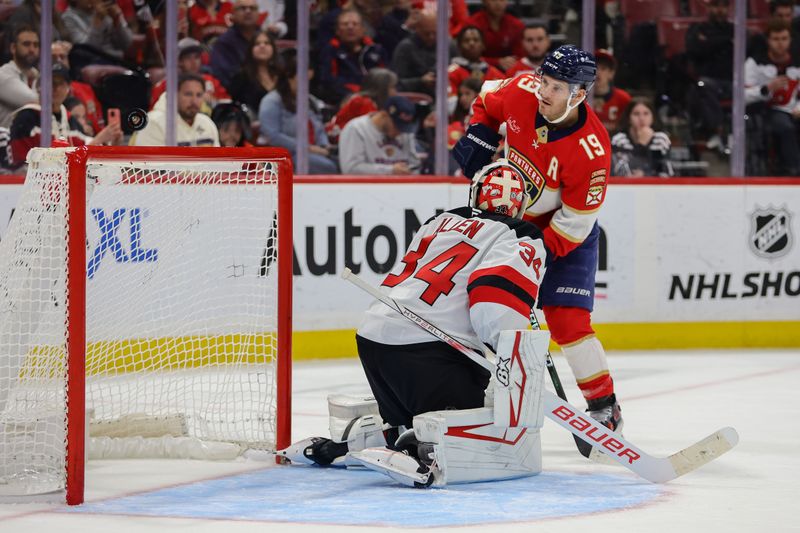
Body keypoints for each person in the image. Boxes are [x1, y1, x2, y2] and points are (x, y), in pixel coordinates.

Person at [280, 162, 548, 482]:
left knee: (415, 418)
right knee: (474, 425)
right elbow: (493, 302)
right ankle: (423, 449)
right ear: (519, 206)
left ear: (475, 194)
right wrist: (515, 360)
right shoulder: (522, 233)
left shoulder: (440, 220)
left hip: (374, 339)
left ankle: (357, 444)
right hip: (430, 352)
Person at [453, 45, 622, 431]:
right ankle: (476, 394)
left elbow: (575, 223)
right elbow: (488, 95)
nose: (544, 92)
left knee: (567, 321)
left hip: (563, 237)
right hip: (506, 227)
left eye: (557, 87)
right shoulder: (522, 91)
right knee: (483, 309)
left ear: (579, 94)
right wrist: (480, 132)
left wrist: (532, 254)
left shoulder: (592, 151)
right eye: (544, 81)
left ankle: (603, 404)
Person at [9, 62, 121, 167]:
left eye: (60, 83)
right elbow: (22, 163)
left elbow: (88, 158)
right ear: (39, 86)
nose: (55, 88)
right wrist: (97, 140)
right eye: (51, 82)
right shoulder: (26, 118)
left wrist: (112, 143)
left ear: (68, 88)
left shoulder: (70, 121)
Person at [259, 52, 337, 174]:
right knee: (328, 167)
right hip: (289, 155)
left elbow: (320, 128)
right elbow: (272, 135)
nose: (305, 84)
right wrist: (307, 148)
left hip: (316, 151)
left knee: (341, 160)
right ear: (289, 76)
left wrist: (324, 145)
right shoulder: (272, 101)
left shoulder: (311, 100)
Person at [745, 19, 800, 175]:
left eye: (784, 39)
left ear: (790, 40)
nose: (780, 43)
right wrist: (766, 90)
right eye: (776, 39)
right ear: (768, 41)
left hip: (793, 109)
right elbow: (742, 96)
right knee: (784, 126)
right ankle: (794, 171)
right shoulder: (755, 63)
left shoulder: (797, 61)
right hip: (765, 111)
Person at [686, 0, 733, 152]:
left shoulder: (736, 30)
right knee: (702, 86)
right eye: (716, 6)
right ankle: (717, 132)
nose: (720, 10)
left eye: (723, 6)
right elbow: (694, 50)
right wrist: (726, 42)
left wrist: (709, 42)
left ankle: (738, 135)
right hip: (708, 80)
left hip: (733, 82)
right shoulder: (697, 29)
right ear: (708, 7)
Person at [317, 8, 388, 105]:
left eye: (355, 24)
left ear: (363, 29)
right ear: (337, 30)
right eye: (345, 24)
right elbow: (328, 81)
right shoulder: (331, 50)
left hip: (376, 98)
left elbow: (386, 77)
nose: (350, 27)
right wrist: (358, 92)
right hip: (344, 99)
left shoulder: (376, 50)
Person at [338, 94, 422, 174]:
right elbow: (350, 169)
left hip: (401, 186)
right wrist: (390, 170)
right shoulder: (356, 128)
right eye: (397, 126)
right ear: (384, 115)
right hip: (367, 187)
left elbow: (415, 165)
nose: (400, 132)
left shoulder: (405, 133)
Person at [130, 73, 220, 147]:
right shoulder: (153, 122)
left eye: (199, 95)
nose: (194, 101)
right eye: (188, 94)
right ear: (174, 95)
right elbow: (148, 166)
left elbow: (217, 164)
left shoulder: (207, 123)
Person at [150, 38, 230, 112]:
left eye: (196, 57)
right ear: (179, 61)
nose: (193, 62)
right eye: (188, 58)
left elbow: (228, 105)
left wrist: (213, 101)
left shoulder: (211, 81)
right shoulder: (166, 85)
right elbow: (154, 113)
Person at [326, 67, 398, 144]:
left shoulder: (380, 102)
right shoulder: (363, 102)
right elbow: (371, 132)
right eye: (392, 87)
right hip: (341, 138)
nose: (396, 91)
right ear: (381, 89)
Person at [51, 40, 105, 134]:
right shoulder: (42, 92)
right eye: (54, 58)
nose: (59, 61)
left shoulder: (86, 89)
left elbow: (99, 123)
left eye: (62, 57)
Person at [611, 98, 673, 177]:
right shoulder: (619, 140)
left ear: (653, 118)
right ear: (629, 118)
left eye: (646, 113)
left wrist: (646, 174)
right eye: (636, 114)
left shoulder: (661, 139)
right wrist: (641, 145)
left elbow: (667, 172)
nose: (641, 118)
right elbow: (620, 173)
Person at [210, 0, 262, 90]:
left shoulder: (265, 39)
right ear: (233, 14)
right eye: (242, 8)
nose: (248, 11)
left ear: (258, 13)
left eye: (252, 8)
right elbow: (225, 78)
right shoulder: (224, 43)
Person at [62, 0, 134, 61]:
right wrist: (97, 22)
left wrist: (117, 21)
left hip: (117, 61)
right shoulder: (68, 18)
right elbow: (86, 52)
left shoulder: (107, 9)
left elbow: (126, 45)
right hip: (91, 64)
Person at [464, 0, 524, 72]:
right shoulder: (472, 24)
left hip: (510, 70)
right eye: (493, 0)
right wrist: (497, 62)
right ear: (484, 2)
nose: (498, 4)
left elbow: (521, 56)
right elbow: (468, 57)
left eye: (501, 0)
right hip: (478, 70)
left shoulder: (516, 25)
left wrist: (511, 62)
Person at [228, 30, 281, 112]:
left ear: (273, 48)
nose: (262, 46)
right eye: (257, 44)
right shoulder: (241, 77)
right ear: (250, 49)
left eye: (267, 43)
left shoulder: (283, 74)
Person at [391, 9, 440, 95]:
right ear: (417, 29)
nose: (431, 37)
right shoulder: (405, 48)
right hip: (415, 97)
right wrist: (420, 81)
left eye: (435, 33)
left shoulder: (447, 45)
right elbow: (396, 84)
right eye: (427, 33)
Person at [447, 25, 504, 98]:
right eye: (466, 40)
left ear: (483, 45)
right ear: (459, 46)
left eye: (476, 40)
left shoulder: (495, 74)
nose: (471, 43)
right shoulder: (452, 73)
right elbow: (450, 102)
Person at [0, 26, 39, 129]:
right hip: (6, 142)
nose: (32, 49)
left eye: (35, 45)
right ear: (13, 48)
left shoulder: (37, 75)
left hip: (33, 140)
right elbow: (35, 102)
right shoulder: (3, 75)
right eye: (26, 44)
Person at [592, 49, 631, 134]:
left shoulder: (623, 99)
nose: (598, 72)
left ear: (611, 73)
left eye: (603, 68)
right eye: (594, 68)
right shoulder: (578, 98)